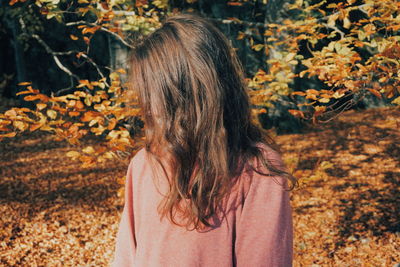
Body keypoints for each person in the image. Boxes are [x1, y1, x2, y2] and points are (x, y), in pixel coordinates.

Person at [111, 13, 297, 267]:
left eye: (155, 92)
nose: (148, 106)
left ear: (190, 91)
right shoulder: (145, 163)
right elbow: (126, 258)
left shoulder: (256, 170)